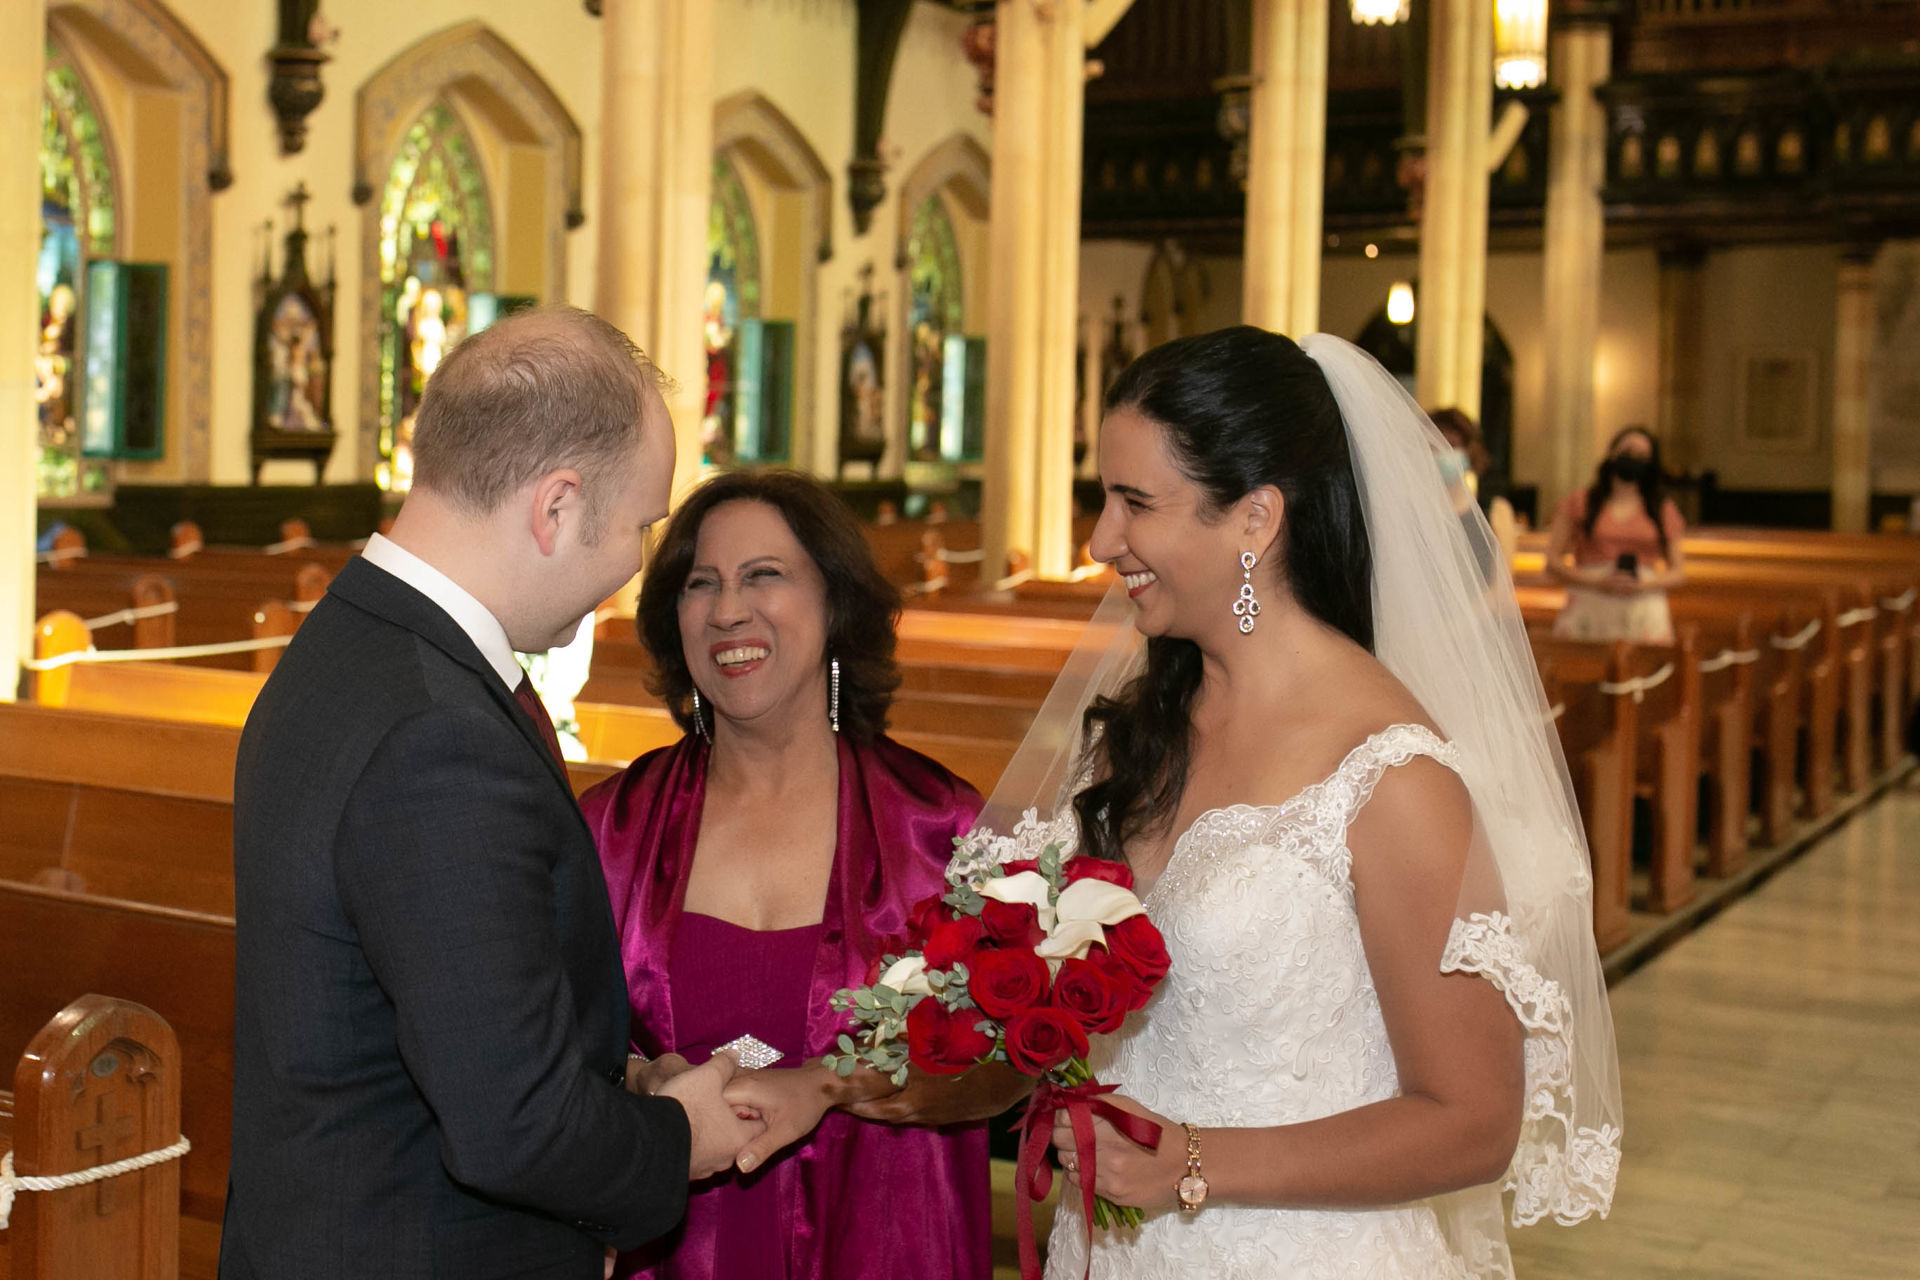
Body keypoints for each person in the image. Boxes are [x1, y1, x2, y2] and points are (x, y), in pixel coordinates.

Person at [953, 327, 1618, 1277]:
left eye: (1135, 502)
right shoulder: (1135, 734)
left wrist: (1191, 1162)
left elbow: (1473, 1123)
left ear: (1256, 518)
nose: (1101, 541)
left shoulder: (1390, 772)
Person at [224, 307, 761, 1280]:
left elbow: (437, 1014)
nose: (638, 562)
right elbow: (512, 1125)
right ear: (556, 507)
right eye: (640, 521)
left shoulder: (349, 641)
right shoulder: (439, 733)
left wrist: (628, 1084)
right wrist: (680, 1134)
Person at [579, 470, 1022, 1280]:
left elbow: (1008, 1065)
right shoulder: (610, 828)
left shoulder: (942, 830)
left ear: (836, 602)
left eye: (764, 576)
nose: (725, 611)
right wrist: (640, 1079)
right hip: (673, 1253)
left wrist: (831, 1084)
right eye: (698, 585)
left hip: (883, 1242)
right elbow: (550, 1055)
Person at [1546, 426, 1687, 643]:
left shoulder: (1661, 509)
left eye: (1642, 457)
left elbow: (1678, 572)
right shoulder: (1580, 502)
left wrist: (1642, 585)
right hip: (1590, 601)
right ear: (1612, 453)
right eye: (1627, 452)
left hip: (1643, 606)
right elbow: (1552, 563)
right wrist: (1599, 582)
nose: (1633, 460)